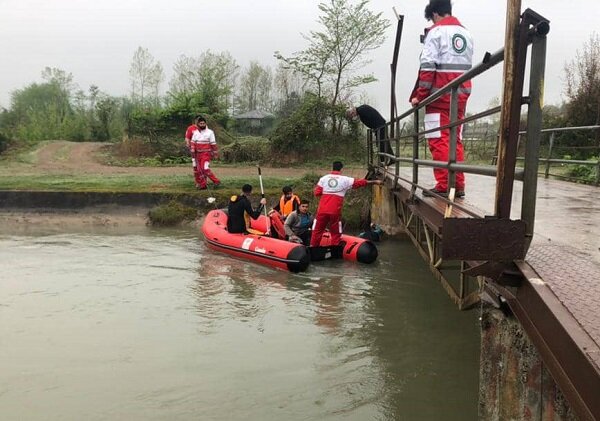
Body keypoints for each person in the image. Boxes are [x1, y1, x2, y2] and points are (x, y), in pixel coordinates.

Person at [410, 0, 473, 198]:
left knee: (439, 139)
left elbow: (428, 68)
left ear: (435, 13)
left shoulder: (435, 33)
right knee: (455, 140)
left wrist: (420, 97)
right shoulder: (466, 34)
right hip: (461, 95)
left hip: (439, 96)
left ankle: (446, 184)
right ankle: (458, 184)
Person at [310, 161, 383, 247]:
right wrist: (375, 182)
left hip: (322, 210)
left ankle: (313, 247)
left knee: (317, 230)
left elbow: (317, 193)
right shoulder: (345, 179)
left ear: (332, 167)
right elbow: (359, 183)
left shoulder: (323, 179)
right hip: (335, 211)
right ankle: (335, 248)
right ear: (341, 169)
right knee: (336, 231)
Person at [185, 115, 220, 190]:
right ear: (198, 124)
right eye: (201, 124)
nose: (202, 125)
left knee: (205, 168)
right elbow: (193, 142)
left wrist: (215, 153)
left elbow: (213, 143)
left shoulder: (210, 132)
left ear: (206, 123)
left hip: (206, 154)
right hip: (197, 154)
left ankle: (216, 181)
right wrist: (192, 150)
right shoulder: (195, 132)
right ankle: (203, 185)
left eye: (203, 123)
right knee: (199, 170)